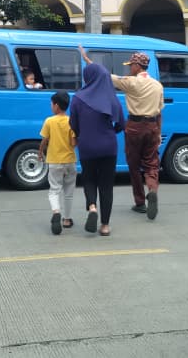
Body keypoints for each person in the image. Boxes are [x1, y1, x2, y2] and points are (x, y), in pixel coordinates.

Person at [98, 50, 164, 221]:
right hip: (152, 126)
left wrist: (89, 61)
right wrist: (158, 133)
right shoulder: (158, 85)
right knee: (151, 163)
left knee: (134, 165)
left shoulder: (131, 82)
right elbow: (159, 113)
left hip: (134, 126)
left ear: (137, 66)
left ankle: (140, 202)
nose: (129, 69)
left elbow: (108, 76)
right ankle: (152, 190)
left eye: (131, 65)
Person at [70, 48, 124, 236]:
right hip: (108, 146)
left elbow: (73, 124)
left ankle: (92, 207)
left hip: (87, 146)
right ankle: (105, 226)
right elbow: (121, 124)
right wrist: (111, 132)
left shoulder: (77, 98)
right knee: (106, 185)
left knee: (89, 179)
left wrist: (81, 134)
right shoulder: (111, 97)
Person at [39, 90, 76, 235]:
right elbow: (73, 143)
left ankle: (56, 212)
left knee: (54, 190)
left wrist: (40, 153)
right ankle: (67, 220)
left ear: (56, 106)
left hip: (54, 161)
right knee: (69, 192)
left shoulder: (49, 121)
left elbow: (44, 140)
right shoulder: (71, 121)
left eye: (51, 104)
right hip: (70, 161)